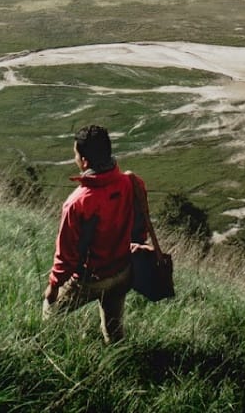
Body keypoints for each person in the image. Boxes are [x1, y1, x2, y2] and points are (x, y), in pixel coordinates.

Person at [42, 124, 152, 343]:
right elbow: (141, 225)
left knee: (49, 316)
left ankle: (45, 348)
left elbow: (66, 255)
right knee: (114, 329)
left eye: (75, 154)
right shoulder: (132, 183)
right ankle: (118, 359)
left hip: (90, 279)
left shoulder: (78, 202)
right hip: (122, 271)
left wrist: (53, 287)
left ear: (84, 161)